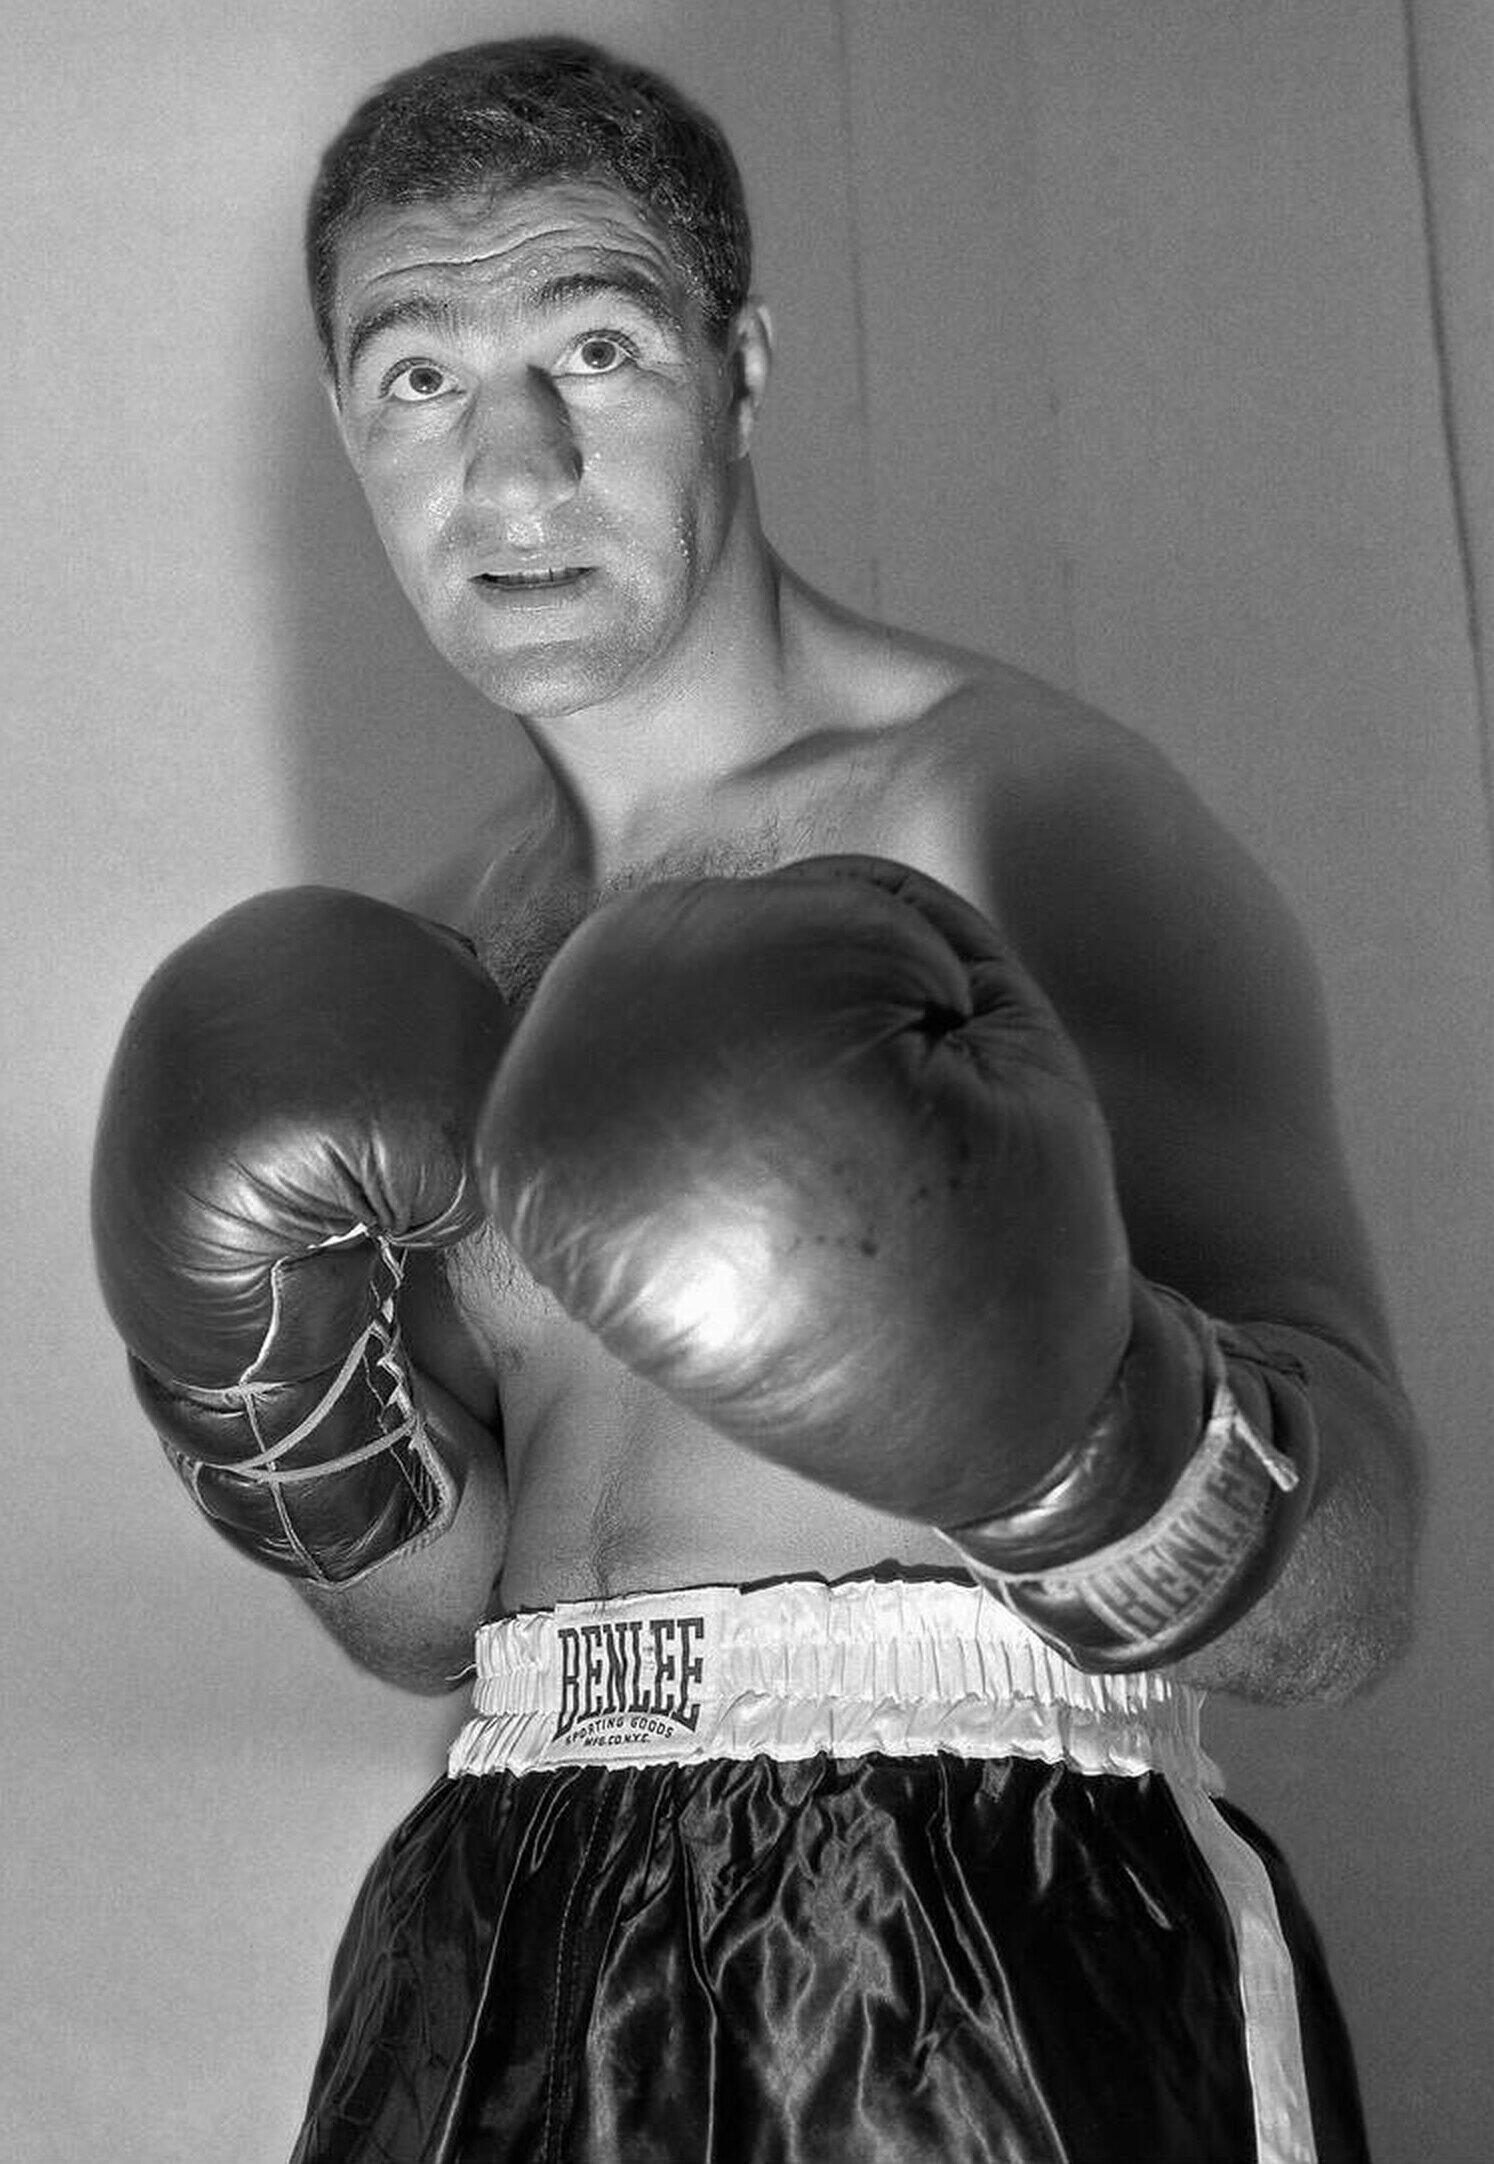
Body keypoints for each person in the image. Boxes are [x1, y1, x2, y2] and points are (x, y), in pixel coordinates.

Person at [91, 35, 1422, 2164]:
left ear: (743, 366)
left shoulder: (1015, 817)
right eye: (418, 378)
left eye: (594, 347)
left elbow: (1359, 1581)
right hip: (503, 1919)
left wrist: (1064, 1424)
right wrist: (291, 1431)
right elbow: (440, 1623)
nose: (509, 476)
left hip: (973, 1930)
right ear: (352, 425)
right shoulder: (425, 965)